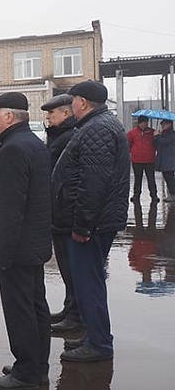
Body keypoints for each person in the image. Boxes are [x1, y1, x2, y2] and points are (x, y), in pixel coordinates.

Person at [53, 80, 130, 362]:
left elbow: (93, 183)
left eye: (72, 101)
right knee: (89, 281)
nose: (71, 105)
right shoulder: (98, 125)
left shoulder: (97, 129)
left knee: (89, 282)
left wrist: (82, 225)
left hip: (93, 224)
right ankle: (93, 337)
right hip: (98, 220)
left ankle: (98, 344)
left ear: (82, 103)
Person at [0, 92, 52, 389]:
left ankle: (25, 374)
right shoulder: (33, 143)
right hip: (34, 242)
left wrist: (4, 253)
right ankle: (37, 366)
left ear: (9, 116)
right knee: (36, 306)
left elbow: (11, 208)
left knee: (21, 310)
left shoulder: (14, 149)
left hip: (18, 247)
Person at [41, 94, 81, 333]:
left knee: (72, 267)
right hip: (58, 211)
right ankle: (70, 308)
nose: (48, 119)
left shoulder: (68, 137)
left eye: (52, 115)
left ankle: (76, 315)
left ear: (66, 114)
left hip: (66, 211)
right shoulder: (59, 135)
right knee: (66, 267)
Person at [127, 115, 158, 202]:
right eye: (143, 122)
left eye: (146, 122)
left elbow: (157, 144)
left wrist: (156, 136)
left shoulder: (152, 132)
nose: (145, 124)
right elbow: (128, 144)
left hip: (150, 159)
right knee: (137, 179)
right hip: (137, 160)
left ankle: (154, 195)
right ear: (139, 123)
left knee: (151, 178)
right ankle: (136, 195)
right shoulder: (132, 133)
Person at [155, 119, 175, 202]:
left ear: (169, 124)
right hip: (164, 159)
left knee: (169, 177)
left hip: (169, 159)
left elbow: (164, 142)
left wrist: (158, 136)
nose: (162, 125)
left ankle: (173, 194)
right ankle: (172, 194)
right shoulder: (164, 133)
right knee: (168, 177)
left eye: (164, 124)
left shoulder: (171, 133)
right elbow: (158, 144)